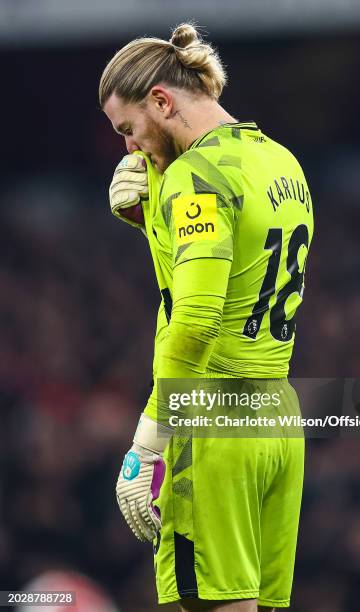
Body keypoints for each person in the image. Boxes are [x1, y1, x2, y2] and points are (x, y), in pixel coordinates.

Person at [99, 23, 314, 612]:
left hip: (212, 421)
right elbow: (231, 269)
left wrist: (147, 444)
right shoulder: (279, 160)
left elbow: (192, 320)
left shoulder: (195, 176)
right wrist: (151, 218)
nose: (129, 147)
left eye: (129, 129)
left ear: (161, 102)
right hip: (276, 419)